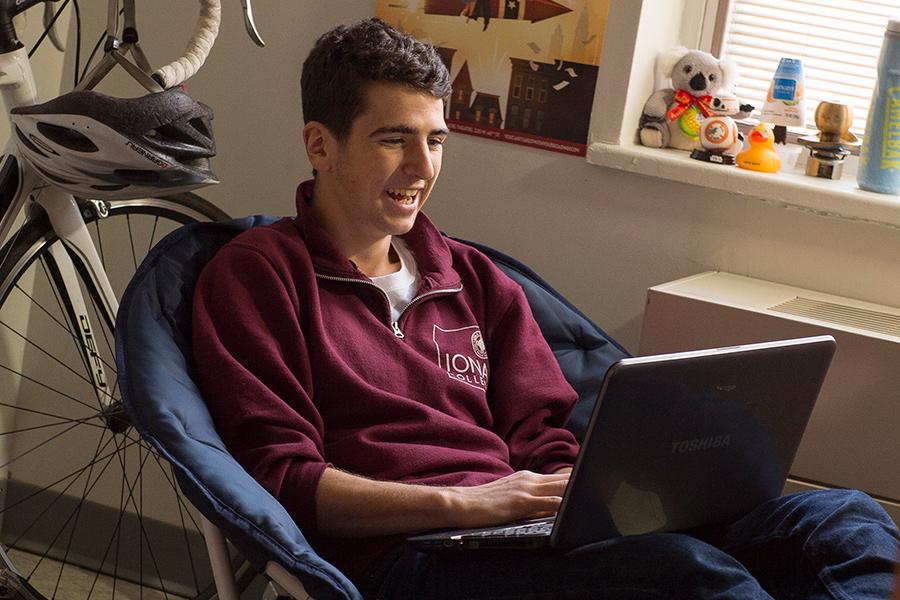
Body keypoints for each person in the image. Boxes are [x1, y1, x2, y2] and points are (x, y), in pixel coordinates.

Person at [192, 17, 900, 599]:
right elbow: (284, 481)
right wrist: (475, 504)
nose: (422, 167)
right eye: (393, 139)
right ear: (321, 144)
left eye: (435, 139)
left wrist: (574, 498)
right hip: (407, 557)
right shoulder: (258, 279)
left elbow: (544, 434)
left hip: (522, 533)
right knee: (689, 579)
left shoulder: (472, 277)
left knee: (846, 521)